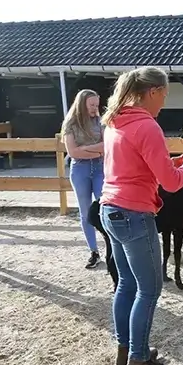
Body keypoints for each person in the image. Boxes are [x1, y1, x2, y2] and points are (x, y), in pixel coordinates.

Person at [99, 66, 183, 365]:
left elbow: (141, 165)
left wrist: (172, 165)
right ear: (152, 92)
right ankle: (139, 361)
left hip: (110, 208)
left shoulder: (116, 122)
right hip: (134, 213)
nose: (164, 102)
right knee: (149, 289)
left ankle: (126, 349)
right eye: (164, 95)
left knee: (127, 284)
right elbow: (170, 183)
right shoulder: (147, 126)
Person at [61, 89, 105, 269]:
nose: (95, 108)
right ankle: (93, 251)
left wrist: (86, 149)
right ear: (82, 105)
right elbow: (72, 152)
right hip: (80, 169)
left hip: (100, 167)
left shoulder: (101, 121)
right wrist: (96, 149)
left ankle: (112, 245)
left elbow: (107, 145)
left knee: (104, 206)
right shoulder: (70, 124)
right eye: (91, 105)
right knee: (85, 211)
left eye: (96, 104)